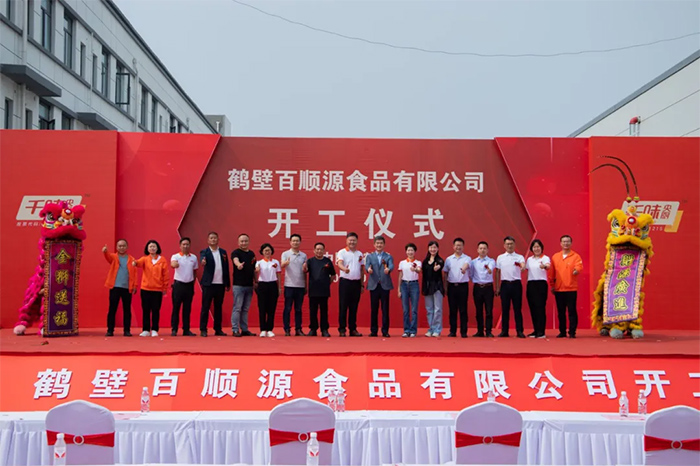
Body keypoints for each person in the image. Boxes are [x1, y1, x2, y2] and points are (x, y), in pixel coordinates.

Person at [549, 235, 584, 338]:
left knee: (572, 311)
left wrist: (576, 270)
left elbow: (579, 266)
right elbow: (552, 272)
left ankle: (572, 332)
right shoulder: (555, 257)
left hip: (571, 288)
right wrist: (552, 285)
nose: (566, 243)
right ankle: (562, 331)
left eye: (568, 241)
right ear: (560, 243)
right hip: (559, 288)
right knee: (561, 312)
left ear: (571, 243)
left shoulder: (575, 256)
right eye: (564, 242)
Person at [133, 240, 169, 337]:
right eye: (150, 247)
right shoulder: (145, 259)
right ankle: (146, 329)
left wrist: (165, 287)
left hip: (157, 289)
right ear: (147, 249)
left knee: (155, 310)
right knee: (146, 310)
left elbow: (165, 275)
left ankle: (154, 329)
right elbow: (138, 263)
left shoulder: (162, 260)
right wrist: (134, 262)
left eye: (154, 246)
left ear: (157, 248)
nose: (152, 248)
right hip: (145, 289)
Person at [102, 239, 138, 337]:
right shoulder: (114, 257)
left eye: (123, 246)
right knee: (112, 309)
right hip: (115, 287)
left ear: (127, 247)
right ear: (117, 247)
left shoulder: (131, 259)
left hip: (127, 288)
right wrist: (105, 251)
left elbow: (135, 274)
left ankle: (127, 330)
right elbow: (108, 257)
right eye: (120, 246)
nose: (122, 248)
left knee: (127, 310)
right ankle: (110, 330)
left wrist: (135, 286)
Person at [199, 232, 230, 337]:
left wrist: (227, 283)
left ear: (218, 240)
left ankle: (218, 329)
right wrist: (203, 261)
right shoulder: (205, 252)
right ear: (208, 240)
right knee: (205, 307)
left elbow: (226, 267)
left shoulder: (223, 252)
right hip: (208, 284)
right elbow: (202, 260)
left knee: (218, 307)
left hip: (220, 284)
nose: (213, 240)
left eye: (215, 238)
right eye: (211, 238)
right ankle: (203, 329)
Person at [495, 236, 526, 338]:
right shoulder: (500, 257)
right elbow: (497, 272)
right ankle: (504, 331)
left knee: (517, 309)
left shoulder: (519, 257)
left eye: (511, 244)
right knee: (505, 308)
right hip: (505, 284)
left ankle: (519, 331)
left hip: (516, 284)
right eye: (507, 244)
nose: (509, 246)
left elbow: (522, 264)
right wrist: (497, 287)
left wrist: (523, 266)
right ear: (504, 245)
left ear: (514, 245)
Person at [365, 235, 394, 337]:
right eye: (377, 243)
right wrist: (368, 269)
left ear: (384, 245)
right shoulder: (370, 256)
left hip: (385, 285)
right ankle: (374, 331)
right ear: (374, 244)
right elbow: (367, 265)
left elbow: (391, 265)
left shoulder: (388, 256)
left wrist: (388, 269)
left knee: (385, 309)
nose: (379, 245)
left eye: (381, 243)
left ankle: (385, 331)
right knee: (374, 309)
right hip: (374, 285)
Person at [336, 232, 364, 337]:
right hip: (345, 282)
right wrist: (344, 269)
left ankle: (353, 329)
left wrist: (361, 285)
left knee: (354, 307)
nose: (352, 242)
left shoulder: (359, 254)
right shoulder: (342, 252)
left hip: (356, 283)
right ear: (346, 241)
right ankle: (342, 329)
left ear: (357, 241)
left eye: (354, 240)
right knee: (343, 306)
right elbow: (339, 264)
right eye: (350, 240)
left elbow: (361, 270)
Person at [305, 242, 336, 337]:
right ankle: (313, 329)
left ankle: (324, 329)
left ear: (324, 250)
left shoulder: (327, 261)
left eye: (321, 249)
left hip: (324, 290)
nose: (319, 251)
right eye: (317, 249)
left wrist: (327, 283)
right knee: (313, 311)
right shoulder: (310, 261)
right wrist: (304, 267)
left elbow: (333, 274)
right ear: (314, 250)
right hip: (313, 290)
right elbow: (305, 271)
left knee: (324, 311)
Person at [443, 237, 471, 338]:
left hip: (463, 286)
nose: (458, 247)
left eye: (460, 245)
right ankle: (452, 331)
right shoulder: (449, 259)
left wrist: (463, 269)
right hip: (452, 286)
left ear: (463, 247)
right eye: (456, 245)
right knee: (452, 310)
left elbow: (466, 265)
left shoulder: (467, 258)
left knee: (463, 309)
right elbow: (445, 273)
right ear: (453, 246)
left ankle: (464, 331)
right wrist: (445, 287)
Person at [170, 237, 198, 336]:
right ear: (180, 246)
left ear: (190, 245)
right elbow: (172, 264)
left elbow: (195, 271)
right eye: (183, 244)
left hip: (189, 286)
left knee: (187, 309)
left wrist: (192, 283)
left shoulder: (193, 257)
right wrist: (175, 264)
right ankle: (174, 329)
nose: (185, 246)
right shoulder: (176, 256)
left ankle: (186, 330)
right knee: (176, 308)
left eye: (187, 244)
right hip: (178, 285)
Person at [281, 234, 307, 336]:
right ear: (290, 242)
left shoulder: (303, 255)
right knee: (287, 308)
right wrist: (285, 263)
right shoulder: (285, 254)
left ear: (300, 242)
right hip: (289, 285)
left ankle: (298, 329)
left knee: (298, 309)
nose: (295, 242)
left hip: (300, 285)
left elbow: (305, 271)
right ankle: (287, 329)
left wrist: (305, 285)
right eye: (293, 241)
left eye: (297, 241)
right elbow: (282, 265)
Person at [231, 233, 257, 337]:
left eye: (245, 241)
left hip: (249, 285)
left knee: (245, 309)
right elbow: (235, 260)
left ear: (249, 242)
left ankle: (244, 329)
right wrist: (238, 265)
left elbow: (254, 269)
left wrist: (256, 281)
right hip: (239, 285)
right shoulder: (236, 252)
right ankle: (235, 329)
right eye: (242, 241)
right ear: (238, 243)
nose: (244, 243)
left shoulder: (251, 254)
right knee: (237, 308)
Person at [470, 241, 496, 337]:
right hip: (477, 288)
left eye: (484, 248)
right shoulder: (473, 262)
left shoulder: (491, 261)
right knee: (478, 311)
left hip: (488, 288)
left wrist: (489, 269)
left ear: (487, 250)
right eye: (481, 248)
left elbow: (491, 268)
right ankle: (480, 331)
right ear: (477, 250)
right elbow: (471, 274)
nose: (482, 250)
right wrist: (476, 281)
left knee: (489, 310)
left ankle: (488, 331)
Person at [525, 239, 550, 338]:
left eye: (538, 247)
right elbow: (527, 270)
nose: (536, 249)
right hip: (531, 284)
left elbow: (548, 266)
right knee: (533, 308)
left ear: (541, 248)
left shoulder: (545, 258)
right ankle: (535, 330)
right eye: (534, 247)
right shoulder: (529, 259)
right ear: (532, 249)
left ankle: (541, 331)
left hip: (541, 284)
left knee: (540, 307)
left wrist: (544, 266)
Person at [256, 243, 282, 337]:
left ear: (272, 251)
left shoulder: (275, 262)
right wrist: (256, 271)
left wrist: (279, 287)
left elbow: (278, 275)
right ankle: (263, 329)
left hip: (272, 285)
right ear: (262, 252)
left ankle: (270, 329)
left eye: (269, 250)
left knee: (271, 308)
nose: (267, 252)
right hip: (262, 285)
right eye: (265, 250)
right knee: (262, 308)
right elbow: (255, 274)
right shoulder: (259, 262)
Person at [421, 240, 445, 337]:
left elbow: (440, 265)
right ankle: (431, 328)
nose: (433, 249)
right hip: (427, 287)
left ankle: (437, 329)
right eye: (431, 247)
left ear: (438, 249)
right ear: (428, 249)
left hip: (437, 287)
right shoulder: (425, 261)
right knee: (429, 309)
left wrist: (437, 268)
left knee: (437, 309)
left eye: (434, 247)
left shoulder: (440, 260)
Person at [398, 243, 422, 338]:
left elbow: (419, 270)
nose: (410, 252)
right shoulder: (402, 263)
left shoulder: (418, 262)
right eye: (408, 250)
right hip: (404, 285)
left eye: (412, 250)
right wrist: (399, 289)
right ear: (406, 251)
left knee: (414, 309)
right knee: (405, 309)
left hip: (414, 285)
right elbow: (400, 275)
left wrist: (415, 269)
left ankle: (413, 330)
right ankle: (406, 330)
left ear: (415, 252)